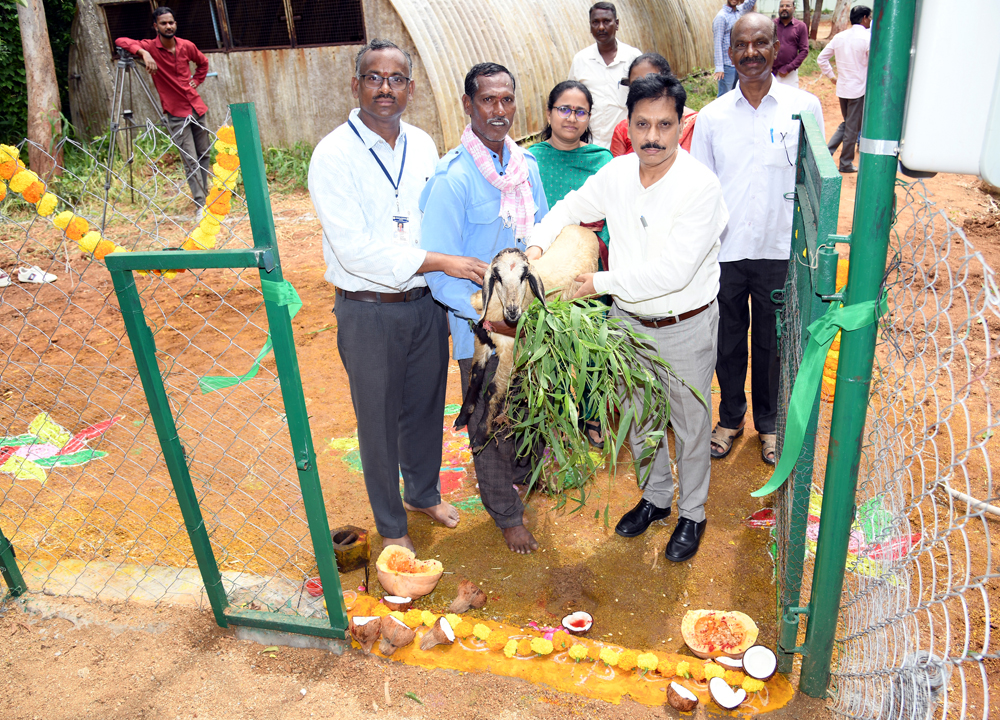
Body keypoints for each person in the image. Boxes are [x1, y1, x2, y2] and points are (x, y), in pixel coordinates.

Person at [530, 74, 728, 563]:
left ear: (681, 125)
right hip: (627, 323)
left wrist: (601, 282)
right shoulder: (617, 174)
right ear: (628, 124)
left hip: (683, 322)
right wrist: (535, 248)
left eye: (664, 124)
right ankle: (656, 498)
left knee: (690, 425)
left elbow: (674, 273)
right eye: (642, 124)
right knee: (638, 415)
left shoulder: (700, 186)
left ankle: (693, 513)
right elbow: (567, 209)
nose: (652, 137)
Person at [308, 39, 488, 553]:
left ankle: (423, 494)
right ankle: (391, 524)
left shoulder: (424, 144)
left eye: (396, 79)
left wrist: (447, 277)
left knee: (425, 407)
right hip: (369, 309)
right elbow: (354, 250)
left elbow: (438, 219)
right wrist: (442, 262)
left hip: (424, 303)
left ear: (411, 87)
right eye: (373, 77)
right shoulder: (333, 154)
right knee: (378, 421)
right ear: (355, 84)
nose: (384, 88)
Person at [420, 63, 550, 554]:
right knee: (488, 419)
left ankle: (524, 475)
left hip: (528, 321)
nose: (499, 110)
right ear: (468, 105)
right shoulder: (453, 178)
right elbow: (437, 271)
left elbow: (540, 235)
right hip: (479, 329)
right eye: (488, 100)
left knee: (531, 403)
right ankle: (506, 514)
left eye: (506, 99)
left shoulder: (526, 167)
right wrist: (487, 319)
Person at [691, 13, 824, 467]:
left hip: (778, 249)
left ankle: (769, 425)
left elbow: (814, 180)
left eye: (761, 43)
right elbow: (701, 188)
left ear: (776, 48)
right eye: (742, 45)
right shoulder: (712, 117)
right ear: (730, 53)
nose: (751, 53)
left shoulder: (803, 108)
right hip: (724, 251)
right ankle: (730, 418)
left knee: (771, 342)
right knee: (727, 340)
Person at [531, 80, 613, 448]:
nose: (571, 117)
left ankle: (593, 413)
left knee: (592, 340)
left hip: (588, 268)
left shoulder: (602, 161)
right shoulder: (529, 160)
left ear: (589, 117)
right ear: (549, 114)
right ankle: (552, 416)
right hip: (544, 269)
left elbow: (613, 219)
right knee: (547, 342)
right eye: (564, 109)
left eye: (580, 111)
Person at [115, 7, 211, 213]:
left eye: (171, 22)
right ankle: (200, 203)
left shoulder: (186, 46)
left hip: (196, 106)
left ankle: (206, 194)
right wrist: (143, 53)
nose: (168, 26)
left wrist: (196, 80)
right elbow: (121, 41)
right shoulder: (150, 47)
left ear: (175, 24)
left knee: (204, 154)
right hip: (176, 112)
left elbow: (203, 63)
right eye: (163, 23)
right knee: (190, 159)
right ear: (155, 26)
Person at [568, 2, 642, 150]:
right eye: (595, 22)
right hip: (589, 144)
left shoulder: (633, 58)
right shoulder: (581, 60)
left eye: (606, 21)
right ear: (590, 26)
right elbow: (570, 99)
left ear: (617, 24)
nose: (601, 27)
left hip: (625, 143)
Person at [610, 53, 698, 158]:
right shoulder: (623, 129)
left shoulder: (697, 125)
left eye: (665, 124)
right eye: (636, 85)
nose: (645, 90)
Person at [819, 5, 872, 173]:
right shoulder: (867, 38)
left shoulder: (840, 37)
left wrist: (832, 76)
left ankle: (826, 154)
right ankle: (845, 163)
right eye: (869, 17)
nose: (870, 21)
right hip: (859, 90)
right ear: (864, 18)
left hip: (843, 88)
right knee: (851, 128)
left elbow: (822, 59)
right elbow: (872, 63)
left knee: (848, 124)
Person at [712, 0, 758, 97]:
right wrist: (719, 67)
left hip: (739, 62)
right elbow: (717, 42)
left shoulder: (740, 12)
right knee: (725, 95)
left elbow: (750, 3)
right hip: (727, 65)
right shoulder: (721, 17)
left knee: (737, 93)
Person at [772, 0, 809, 88]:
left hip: (789, 74)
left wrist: (789, 68)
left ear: (794, 8)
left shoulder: (800, 26)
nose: (784, 8)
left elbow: (804, 50)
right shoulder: (771, 25)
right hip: (771, 72)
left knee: (790, 96)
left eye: (788, 6)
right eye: (781, 6)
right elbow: (764, 45)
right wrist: (767, 65)